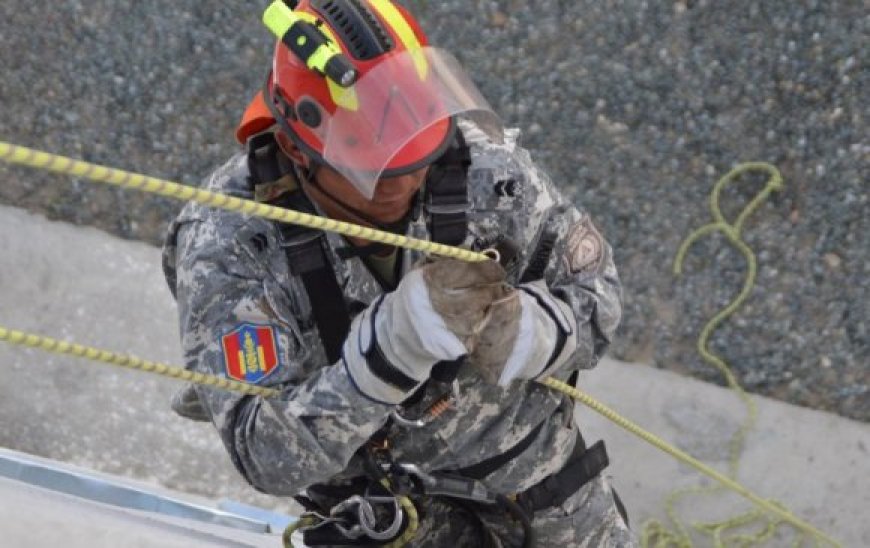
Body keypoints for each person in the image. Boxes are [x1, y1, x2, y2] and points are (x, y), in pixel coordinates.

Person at [162, 1, 633, 546]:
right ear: (293, 144)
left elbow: (598, 288)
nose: (398, 181)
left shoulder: (490, 174)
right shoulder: (231, 242)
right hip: (384, 523)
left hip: (553, 504)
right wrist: (383, 359)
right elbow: (263, 452)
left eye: (410, 146)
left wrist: (536, 331)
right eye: (365, 157)